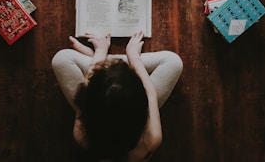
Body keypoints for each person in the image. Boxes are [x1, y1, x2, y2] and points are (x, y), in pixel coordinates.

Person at [52, 31, 183, 161]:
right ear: (142, 103)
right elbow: (151, 94)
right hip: (127, 107)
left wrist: (99, 54)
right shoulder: (151, 138)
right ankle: (111, 64)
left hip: (102, 103)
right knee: (173, 62)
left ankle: (105, 64)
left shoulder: (81, 135)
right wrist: (134, 58)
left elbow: (88, 90)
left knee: (61, 60)